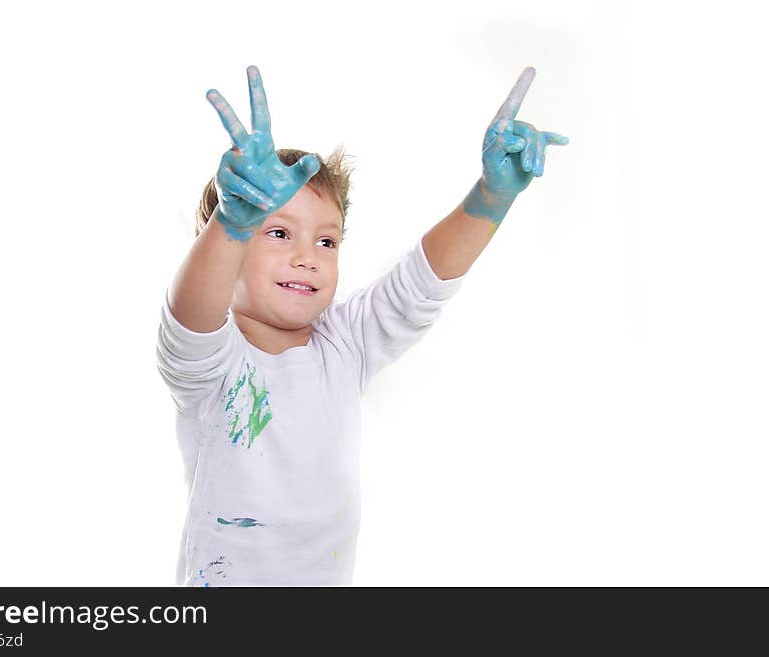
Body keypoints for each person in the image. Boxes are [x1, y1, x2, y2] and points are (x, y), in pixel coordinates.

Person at [155, 64, 568, 586]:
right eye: (279, 233)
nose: (307, 256)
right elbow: (188, 320)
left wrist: (490, 197)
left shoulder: (344, 345)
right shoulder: (213, 367)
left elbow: (416, 288)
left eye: (326, 241)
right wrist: (232, 222)